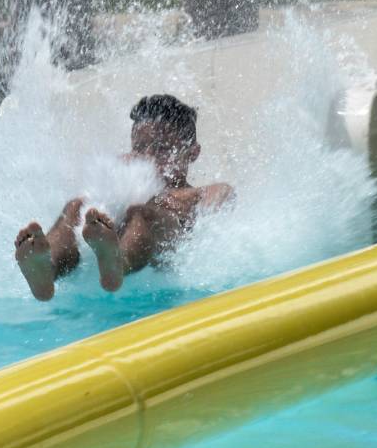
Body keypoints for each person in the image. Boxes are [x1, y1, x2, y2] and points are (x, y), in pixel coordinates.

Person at [14, 94, 234, 300]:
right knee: (76, 207)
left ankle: (117, 263)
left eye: (161, 149)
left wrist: (177, 204)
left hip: (164, 250)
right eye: (139, 148)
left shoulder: (198, 193)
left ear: (192, 153)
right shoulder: (127, 182)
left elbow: (221, 198)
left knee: (142, 212)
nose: (148, 158)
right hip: (113, 245)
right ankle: (45, 268)